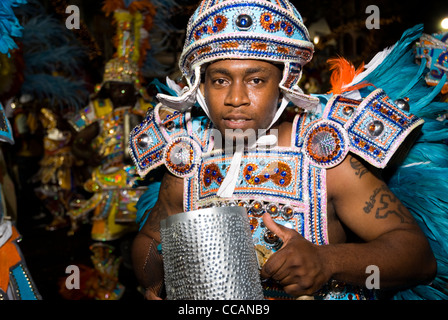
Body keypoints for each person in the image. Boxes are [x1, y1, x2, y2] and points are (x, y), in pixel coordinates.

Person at [129, 0, 438, 300]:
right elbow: (151, 239)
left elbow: (418, 257)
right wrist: (158, 282)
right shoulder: (188, 161)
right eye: (220, 80)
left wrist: (327, 262)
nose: (236, 98)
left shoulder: (324, 158)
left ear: (284, 83)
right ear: (201, 86)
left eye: (256, 80)